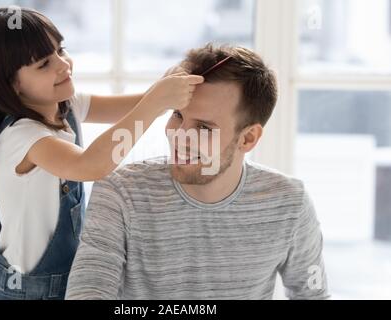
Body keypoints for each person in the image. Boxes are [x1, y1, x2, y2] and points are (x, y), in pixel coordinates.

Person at [0, 7, 203, 300]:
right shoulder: (21, 136)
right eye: (44, 64)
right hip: (21, 293)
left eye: (60, 50)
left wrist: (165, 89)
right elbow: (91, 165)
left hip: (66, 284)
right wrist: (155, 102)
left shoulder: (67, 104)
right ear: (11, 84)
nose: (63, 65)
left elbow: (135, 107)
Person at [66, 44, 330, 300]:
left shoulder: (290, 202)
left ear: (248, 138)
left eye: (203, 128)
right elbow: (87, 292)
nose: (179, 136)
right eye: (178, 116)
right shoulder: (119, 192)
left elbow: (313, 295)